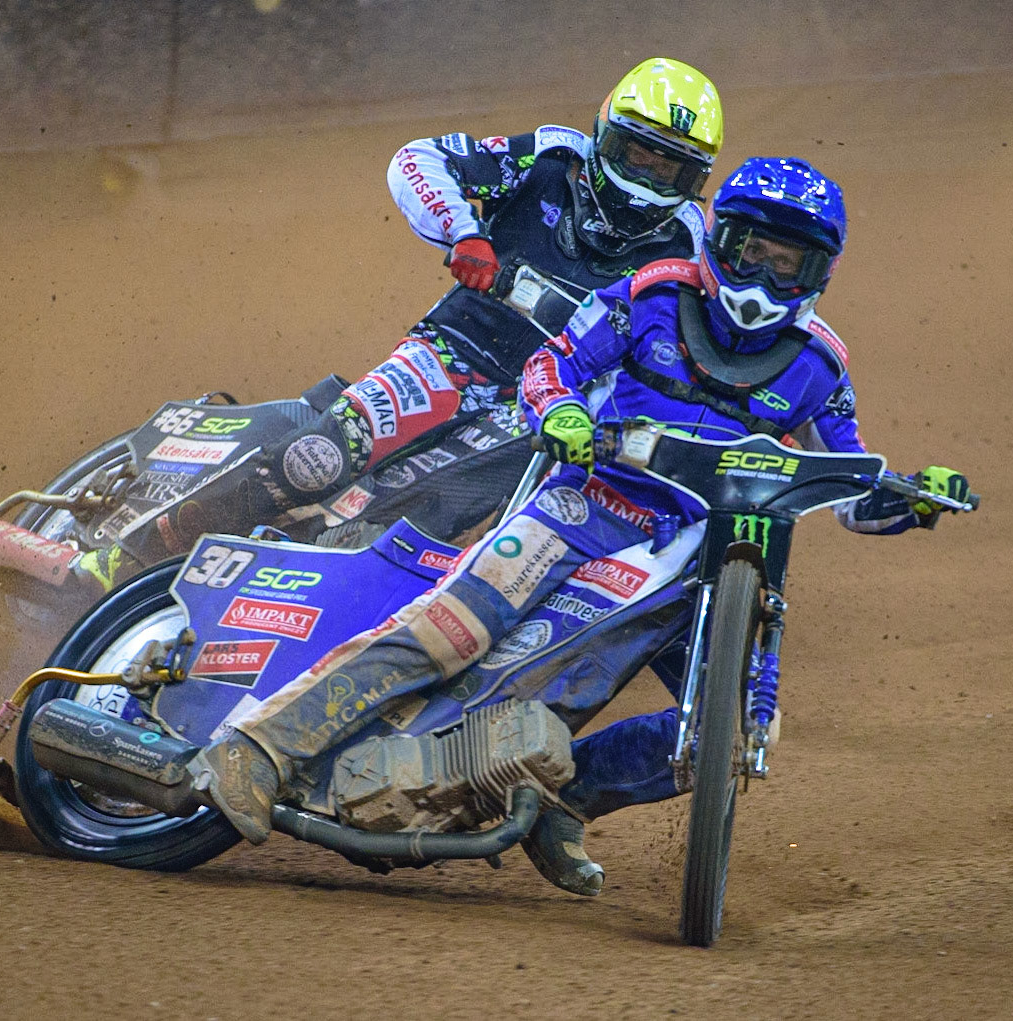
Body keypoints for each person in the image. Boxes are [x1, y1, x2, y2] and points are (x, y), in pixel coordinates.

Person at [185, 156, 973, 896]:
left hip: (693, 556)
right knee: (450, 633)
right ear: (718, 239)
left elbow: (850, 489)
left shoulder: (819, 366)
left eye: (786, 263)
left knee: (721, 733)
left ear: (817, 274)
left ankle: (562, 799)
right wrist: (559, 409)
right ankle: (254, 750)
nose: (761, 276)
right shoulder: (651, 293)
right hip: (582, 505)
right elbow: (548, 363)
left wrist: (910, 500)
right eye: (748, 250)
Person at [69, 57, 725, 592]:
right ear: (604, 134)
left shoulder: (692, 254)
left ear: (692, 179)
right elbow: (419, 159)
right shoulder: (550, 159)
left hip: (540, 402)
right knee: (314, 457)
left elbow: (705, 354)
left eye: (666, 167)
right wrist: (463, 231)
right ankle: (128, 558)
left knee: (431, 513)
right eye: (635, 154)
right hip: (453, 353)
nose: (644, 179)